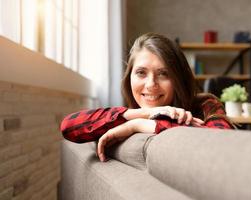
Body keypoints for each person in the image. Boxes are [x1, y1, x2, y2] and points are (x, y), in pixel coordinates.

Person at [60, 33, 234, 162]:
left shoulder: (205, 104)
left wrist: (139, 125)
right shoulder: (123, 118)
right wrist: (141, 115)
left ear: (178, 79)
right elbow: (68, 127)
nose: (151, 84)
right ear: (129, 78)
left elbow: (224, 143)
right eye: (141, 73)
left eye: (163, 74)